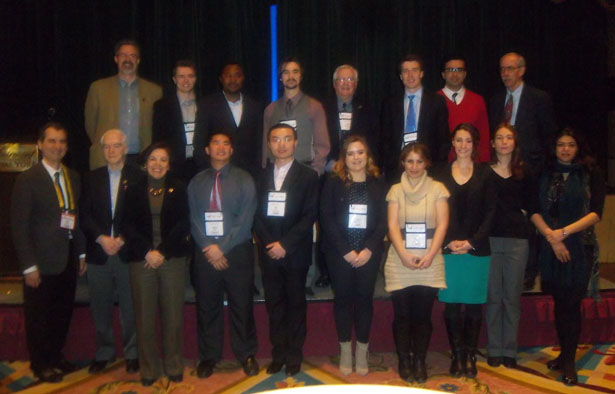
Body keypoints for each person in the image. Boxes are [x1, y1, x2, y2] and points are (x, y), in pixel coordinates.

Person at [11, 122, 87, 382]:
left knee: (61, 312)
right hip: (40, 261)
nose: (57, 146)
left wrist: (81, 253)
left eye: (62, 142)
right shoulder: (27, 179)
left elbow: (74, 217)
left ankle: (55, 356)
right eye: (52, 141)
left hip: (66, 256)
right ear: (40, 144)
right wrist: (28, 266)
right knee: (38, 315)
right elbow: (19, 227)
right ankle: (40, 363)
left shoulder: (72, 176)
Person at [529, 128, 605, 386]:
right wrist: (552, 238)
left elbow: (596, 213)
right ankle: (563, 355)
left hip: (579, 247)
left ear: (578, 148)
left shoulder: (590, 174)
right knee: (560, 302)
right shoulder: (544, 173)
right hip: (551, 247)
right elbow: (534, 209)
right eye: (561, 144)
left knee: (572, 304)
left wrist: (562, 233)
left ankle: (570, 362)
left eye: (570, 145)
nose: (565, 149)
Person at [188, 132, 259, 379]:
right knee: (207, 306)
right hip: (205, 253)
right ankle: (209, 356)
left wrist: (223, 247)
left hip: (237, 252)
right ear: (207, 149)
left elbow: (246, 219)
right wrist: (209, 247)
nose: (220, 147)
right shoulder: (196, 182)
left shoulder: (244, 179)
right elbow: (193, 218)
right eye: (215, 143)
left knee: (242, 305)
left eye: (225, 144)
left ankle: (246, 354)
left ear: (232, 150)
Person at [121, 143, 190, 386]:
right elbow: (125, 225)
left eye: (163, 160)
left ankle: (173, 364)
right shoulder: (132, 189)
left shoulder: (179, 188)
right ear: (145, 162)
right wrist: (147, 251)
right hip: (142, 260)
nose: (158, 164)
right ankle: (148, 368)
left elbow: (184, 224)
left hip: (171, 258)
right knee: (145, 316)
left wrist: (162, 251)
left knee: (173, 316)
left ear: (169, 165)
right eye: (153, 159)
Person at [489, 52, 558, 292]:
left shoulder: (539, 98)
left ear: (522, 70)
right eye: (502, 69)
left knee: (530, 219)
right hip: (502, 171)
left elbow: (548, 137)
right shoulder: (497, 100)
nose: (505, 74)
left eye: (510, 68)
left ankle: (530, 271)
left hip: (530, 172)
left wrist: (537, 170)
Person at [254, 123, 319, 376]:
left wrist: (285, 244)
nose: (281, 144)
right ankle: (278, 353)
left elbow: (309, 214)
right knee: (274, 305)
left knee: (295, 304)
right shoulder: (259, 175)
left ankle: (294, 355)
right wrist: (271, 243)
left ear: (295, 142)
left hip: (295, 253)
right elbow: (256, 214)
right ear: (269, 144)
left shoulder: (308, 176)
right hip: (269, 252)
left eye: (286, 139)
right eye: (275, 139)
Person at [319, 135, 387, 376]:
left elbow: (383, 221)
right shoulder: (333, 182)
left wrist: (369, 248)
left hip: (369, 252)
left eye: (360, 152)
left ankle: (363, 350)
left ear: (367, 156)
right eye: (351, 153)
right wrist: (346, 250)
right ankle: (345, 349)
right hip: (340, 253)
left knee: (365, 300)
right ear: (343, 158)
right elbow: (326, 218)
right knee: (344, 300)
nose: (356, 157)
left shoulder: (378, 183)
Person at [80, 129, 143, 374]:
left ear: (126, 149)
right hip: (99, 251)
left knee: (130, 306)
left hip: (127, 251)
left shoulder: (138, 177)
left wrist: (123, 238)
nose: (112, 151)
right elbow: (83, 214)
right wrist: (101, 238)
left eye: (117, 146)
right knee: (100, 305)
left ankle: (132, 353)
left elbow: (141, 215)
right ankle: (104, 352)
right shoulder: (91, 178)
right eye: (107, 147)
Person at [385, 143, 449, 383]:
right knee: (402, 315)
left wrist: (431, 255)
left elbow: (442, 225)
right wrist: (403, 254)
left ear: (427, 164)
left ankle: (419, 359)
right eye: (409, 161)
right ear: (403, 163)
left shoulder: (438, 189)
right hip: (400, 257)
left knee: (422, 316)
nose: (413, 167)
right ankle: (404, 359)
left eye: (419, 161)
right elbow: (392, 226)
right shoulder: (394, 190)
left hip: (429, 258)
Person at [436, 123, 496, 379]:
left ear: (475, 144)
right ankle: (457, 354)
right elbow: (435, 212)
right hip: (449, 250)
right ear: (452, 142)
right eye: (459, 140)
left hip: (477, 250)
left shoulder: (486, 174)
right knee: (451, 307)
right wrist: (448, 241)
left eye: (468, 141)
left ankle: (470, 354)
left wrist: (471, 242)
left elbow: (491, 213)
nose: (463, 145)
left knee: (472, 307)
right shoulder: (440, 173)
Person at [485, 124, 536, 368]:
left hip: (517, 241)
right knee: (493, 297)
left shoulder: (525, 172)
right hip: (491, 240)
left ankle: (510, 350)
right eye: (499, 138)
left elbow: (533, 206)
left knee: (511, 298)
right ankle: (494, 348)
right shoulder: (484, 172)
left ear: (515, 142)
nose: (504, 142)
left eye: (509, 138)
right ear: (492, 143)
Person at [85, 39, 162, 169]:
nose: (128, 59)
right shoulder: (98, 88)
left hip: (141, 160)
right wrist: (109, 146)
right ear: (116, 59)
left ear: (138, 60)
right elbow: (90, 125)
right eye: (123, 55)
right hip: (108, 158)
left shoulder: (154, 91)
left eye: (132, 55)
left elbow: (159, 127)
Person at [381, 54, 450, 183]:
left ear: (421, 73)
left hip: (428, 169)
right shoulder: (390, 103)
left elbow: (443, 139)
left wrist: (434, 166)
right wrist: (391, 164)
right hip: (398, 170)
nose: (410, 75)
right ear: (400, 76)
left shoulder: (437, 102)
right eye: (405, 71)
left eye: (414, 70)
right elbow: (385, 139)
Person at [262, 57, 330, 176]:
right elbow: (265, 147)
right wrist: (265, 172)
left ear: (301, 76)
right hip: (276, 173)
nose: (291, 76)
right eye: (286, 72)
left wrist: (315, 172)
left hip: (306, 170)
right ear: (280, 78)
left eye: (295, 71)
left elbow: (322, 144)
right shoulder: (270, 109)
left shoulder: (314, 106)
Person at [194, 63, 264, 178]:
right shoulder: (207, 105)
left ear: (243, 78)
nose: (233, 80)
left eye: (237, 75)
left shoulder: (255, 107)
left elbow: (259, 143)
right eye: (228, 76)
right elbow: (199, 142)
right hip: (217, 172)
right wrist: (207, 171)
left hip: (250, 173)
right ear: (221, 79)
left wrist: (258, 171)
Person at [323, 64, 379, 170]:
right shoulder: (322, 109)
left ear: (356, 84)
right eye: (341, 79)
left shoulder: (368, 109)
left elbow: (374, 141)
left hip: (360, 168)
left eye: (350, 79)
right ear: (334, 84)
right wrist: (332, 165)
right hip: (331, 170)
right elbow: (319, 143)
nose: (346, 83)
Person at [153, 59, 200, 181]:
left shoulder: (205, 104)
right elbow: (158, 139)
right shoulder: (162, 106)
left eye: (190, 76)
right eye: (181, 76)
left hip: (201, 164)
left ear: (195, 78)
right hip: (174, 165)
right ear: (174, 79)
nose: (186, 80)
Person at [437, 55, 490, 162]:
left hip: (472, 165)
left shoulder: (478, 100)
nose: (455, 74)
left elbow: (484, 137)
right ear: (443, 74)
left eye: (459, 70)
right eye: (450, 70)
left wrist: (483, 164)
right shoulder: (433, 101)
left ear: (465, 74)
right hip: (441, 166)